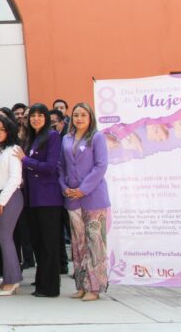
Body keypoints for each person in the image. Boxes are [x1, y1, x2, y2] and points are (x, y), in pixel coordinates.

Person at [59, 103, 110, 302]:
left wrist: (82, 189)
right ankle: (81, 285)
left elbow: (100, 166)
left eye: (83, 115)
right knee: (78, 244)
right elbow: (60, 167)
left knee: (95, 243)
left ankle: (94, 287)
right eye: (76, 115)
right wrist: (65, 187)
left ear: (90, 118)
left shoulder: (96, 137)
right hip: (72, 198)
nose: (79, 118)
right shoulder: (66, 138)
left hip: (93, 197)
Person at [14, 103, 63, 298]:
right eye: (32, 116)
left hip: (48, 198)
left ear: (46, 117)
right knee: (38, 243)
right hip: (32, 199)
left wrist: (26, 161)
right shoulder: (31, 138)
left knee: (48, 243)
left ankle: (50, 287)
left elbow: (50, 166)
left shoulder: (52, 136)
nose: (35, 119)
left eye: (39, 115)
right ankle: (42, 283)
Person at [0, 114, 24, 296]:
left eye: (2, 129)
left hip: (9, 197)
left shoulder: (13, 149)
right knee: (2, 238)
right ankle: (8, 278)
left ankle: (13, 280)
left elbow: (15, 178)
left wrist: (1, 200)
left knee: (4, 237)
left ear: (9, 131)